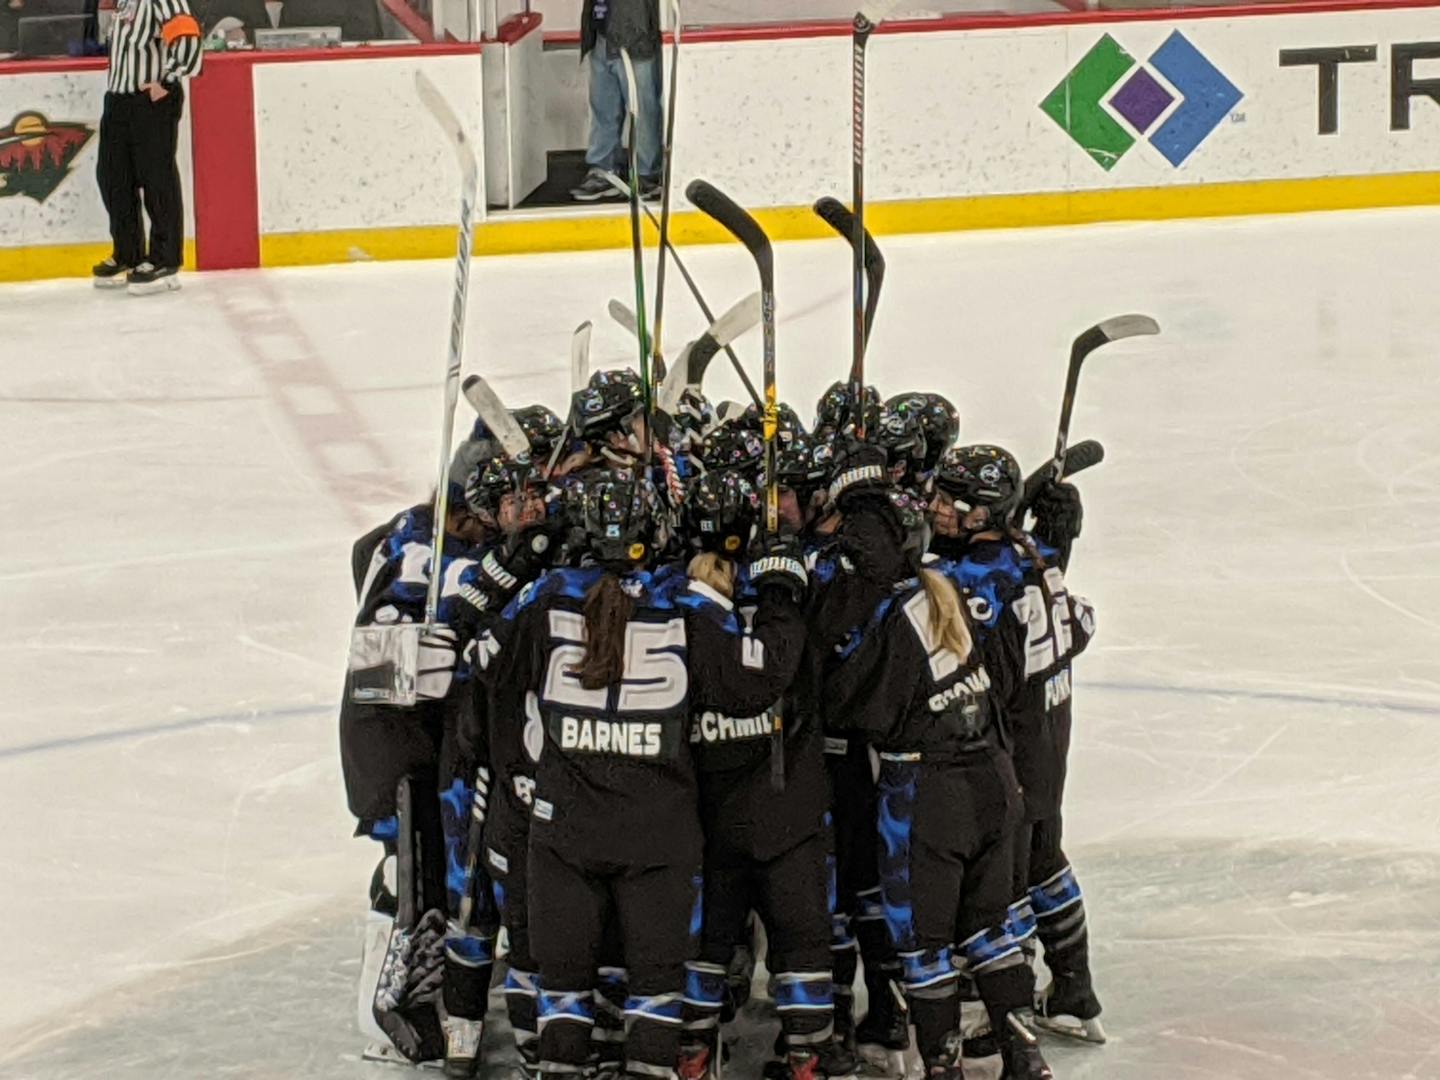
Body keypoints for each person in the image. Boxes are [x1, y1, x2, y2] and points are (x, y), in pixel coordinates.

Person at [471, 466, 810, 1080]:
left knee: (566, 993)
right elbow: (759, 677)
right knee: (655, 991)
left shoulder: (547, 596)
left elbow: (483, 658)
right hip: (658, 835)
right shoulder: (684, 602)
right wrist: (780, 590)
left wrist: (516, 564)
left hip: (565, 834)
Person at [818, 441, 1057, 1080]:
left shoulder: (889, 625)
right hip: (994, 780)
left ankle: (942, 1070)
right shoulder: (947, 589)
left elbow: (842, 705)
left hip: (927, 796)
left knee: (923, 948)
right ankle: (1025, 1059)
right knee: (989, 931)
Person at [931, 446, 1103, 1047]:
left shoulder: (975, 584)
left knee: (999, 889)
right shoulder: (1037, 557)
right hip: (1049, 744)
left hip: (1011, 758)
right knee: (1045, 861)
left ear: (980, 514)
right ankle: (1075, 990)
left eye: (948, 500)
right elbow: (1081, 625)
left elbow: (988, 680)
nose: (935, 508)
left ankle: (1001, 1013)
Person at [91, 0, 202, 294]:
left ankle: (165, 259)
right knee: (113, 177)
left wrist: (167, 80)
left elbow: (188, 36)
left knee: (157, 179)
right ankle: (128, 252)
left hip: (150, 101)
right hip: (118, 100)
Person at [571, 0, 663, 203]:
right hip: (601, 33)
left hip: (637, 35)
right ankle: (604, 170)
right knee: (603, 108)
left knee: (643, 110)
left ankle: (647, 174)